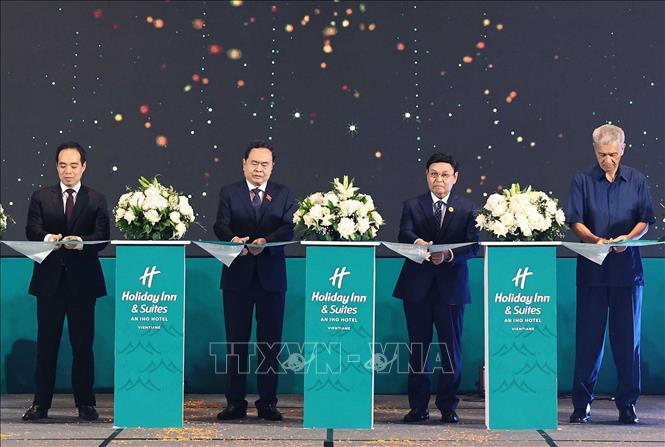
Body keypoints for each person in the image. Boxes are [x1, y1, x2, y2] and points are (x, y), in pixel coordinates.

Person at [566, 124, 655, 425]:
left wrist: (627, 238)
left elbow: (645, 220)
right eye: (602, 154)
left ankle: (627, 404)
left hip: (627, 272)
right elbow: (575, 221)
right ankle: (582, 405)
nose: (608, 160)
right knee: (588, 341)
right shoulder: (581, 180)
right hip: (592, 270)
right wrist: (595, 240)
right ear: (595, 151)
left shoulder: (637, 180)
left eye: (613, 154)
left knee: (628, 341)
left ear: (623, 150)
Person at [22, 141, 110, 421]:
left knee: (83, 345)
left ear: (83, 167)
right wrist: (48, 238)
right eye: (63, 165)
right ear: (56, 167)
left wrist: (80, 242)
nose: (68, 171)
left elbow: (102, 237)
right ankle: (40, 404)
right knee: (46, 344)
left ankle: (86, 404)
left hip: (83, 283)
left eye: (73, 165)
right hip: (49, 282)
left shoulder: (96, 199)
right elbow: (32, 229)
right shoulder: (41, 197)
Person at [392, 153, 479, 423]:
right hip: (417, 287)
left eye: (444, 174)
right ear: (427, 175)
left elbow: (473, 245)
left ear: (455, 178)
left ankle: (448, 406)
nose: (438, 179)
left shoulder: (468, 208)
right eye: (433, 174)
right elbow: (404, 232)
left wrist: (449, 255)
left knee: (451, 349)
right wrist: (417, 242)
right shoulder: (412, 205)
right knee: (419, 348)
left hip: (451, 289)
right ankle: (418, 407)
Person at [213, 140, 295, 421]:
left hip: (272, 277)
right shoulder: (229, 192)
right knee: (236, 343)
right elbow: (220, 224)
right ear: (244, 164)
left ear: (272, 167)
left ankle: (267, 402)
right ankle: (235, 402)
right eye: (254, 163)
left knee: (270, 344)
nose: (259, 169)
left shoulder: (284, 193)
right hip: (237, 276)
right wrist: (233, 239)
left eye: (265, 164)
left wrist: (266, 242)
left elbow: (288, 227)